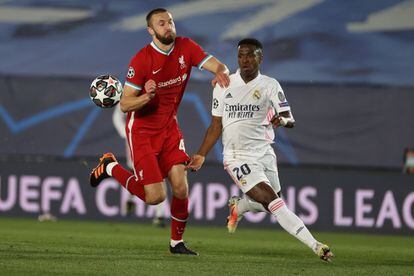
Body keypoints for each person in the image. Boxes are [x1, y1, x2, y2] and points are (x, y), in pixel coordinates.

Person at [90, 8, 230, 255]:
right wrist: (147, 96)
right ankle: (110, 166)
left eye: (171, 22)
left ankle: (176, 243)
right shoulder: (141, 59)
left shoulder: (186, 47)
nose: (168, 27)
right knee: (155, 197)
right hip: (142, 132)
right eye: (161, 24)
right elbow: (125, 104)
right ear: (151, 31)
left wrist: (221, 73)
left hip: (169, 129)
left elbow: (217, 65)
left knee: (181, 187)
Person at [187, 38, 334, 262]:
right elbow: (215, 125)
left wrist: (281, 121)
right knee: (275, 204)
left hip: (264, 152)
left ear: (260, 58)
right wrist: (201, 154)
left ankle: (242, 205)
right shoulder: (223, 84)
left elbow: (289, 117)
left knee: (273, 202)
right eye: (241, 55)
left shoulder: (270, 85)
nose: (245, 59)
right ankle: (317, 246)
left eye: (250, 55)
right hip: (237, 156)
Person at [112, 104, 166, 227]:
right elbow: (117, 116)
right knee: (138, 175)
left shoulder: (157, 92)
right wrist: (125, 133)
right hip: (136, 139)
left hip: (156, 138)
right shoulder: (131, 92)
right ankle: (130, 200)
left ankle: (159, 215)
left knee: (158, 175)